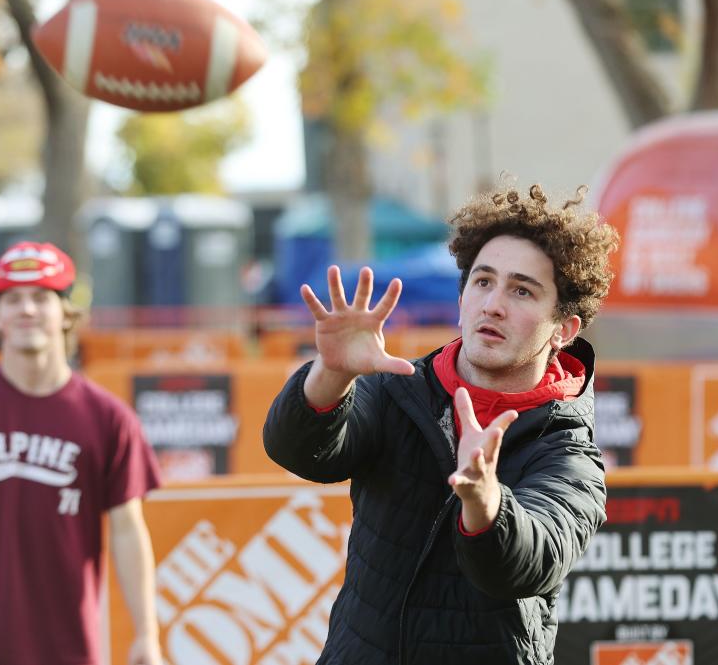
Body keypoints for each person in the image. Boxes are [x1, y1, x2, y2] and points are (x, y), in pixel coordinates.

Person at [264, 183, 619, 664]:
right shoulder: (398, 387)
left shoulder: (569, 452)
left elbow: (527, 564)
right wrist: (332, 373)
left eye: (521, 290)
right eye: (482, 281)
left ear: (563, 329)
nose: (493, 303)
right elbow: (301, 451)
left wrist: (484, 499)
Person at [0, 241, 164, 665]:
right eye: (13, 299)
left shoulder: (109, 418)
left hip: (70, 647)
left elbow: (128, 531)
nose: (27, 310)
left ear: (67, 313)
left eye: (41, 298)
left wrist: (146, 634)